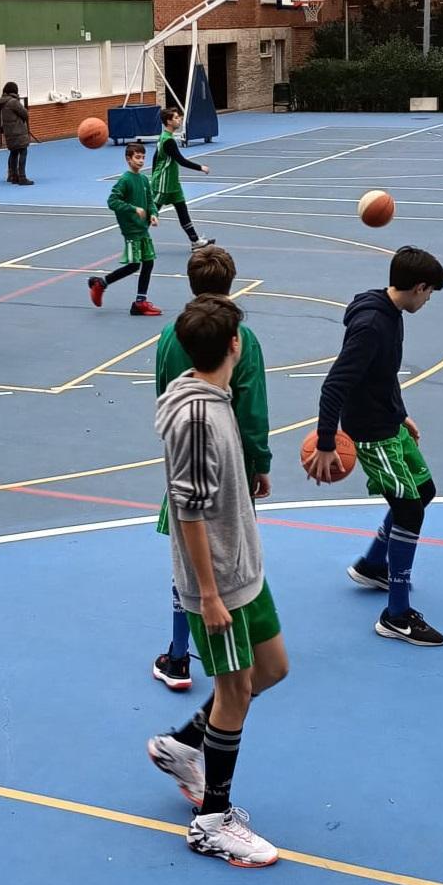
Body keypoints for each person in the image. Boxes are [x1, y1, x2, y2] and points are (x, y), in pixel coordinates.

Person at [147, 294, 289, 867]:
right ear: (236, 346)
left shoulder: (212, 398)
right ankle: (213, 819)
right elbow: (188, 510)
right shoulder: (198, 417)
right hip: (220, 584)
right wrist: (207, 595)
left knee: (272, 669)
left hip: (244, 569)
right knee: (235, 690)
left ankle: (184, 743)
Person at [305, 246, 443, 647]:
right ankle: (396, 615)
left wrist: (400, 412)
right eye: (430, 292)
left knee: (424, 492)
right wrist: (328, 442)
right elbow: (334, 385)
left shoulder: (388, 310)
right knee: (409, 511)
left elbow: (381, 375)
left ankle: (373, 565)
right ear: (418, 287)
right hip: (371, 433)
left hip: (389, 422)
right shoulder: (371, 325)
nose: (429, 299)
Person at [151, 246, 272, 692]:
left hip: (184, 459)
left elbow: (164, 390)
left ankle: (179, 654)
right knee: (231, 556)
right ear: (232, 283)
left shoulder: (170, 334)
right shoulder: (243, 339)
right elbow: (253, 407)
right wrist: (259, 462)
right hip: (229, 464)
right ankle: (238, 648)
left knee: (187, 557)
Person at [88, 142, 161, 316]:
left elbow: (150, 200)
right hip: (131, 230)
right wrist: (133, 208)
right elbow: (112, 201)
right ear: (128, 159)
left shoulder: (143, 179)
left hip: (143, 228)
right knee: (135, 264)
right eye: (137, 157)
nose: (141, 160)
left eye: (143, 157)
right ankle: (101, 283)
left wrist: (153, 213)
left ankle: (140, 301)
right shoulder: (125, 180)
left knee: (148, 262)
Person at [150, 106, 214, 249]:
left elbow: (155, 158)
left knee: (182, 210)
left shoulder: (164, 137)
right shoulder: (168, 141)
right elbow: (180, 160)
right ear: (168, 121)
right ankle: (136, 238)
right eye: (176, 118)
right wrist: (200, 167)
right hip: (164, 183)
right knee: (152, 211)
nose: (179, 120)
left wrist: (153, 174)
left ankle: (195, 241)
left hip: (173, 184)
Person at [0, 82, 34, 185]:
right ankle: (22, 177)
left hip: (9, 132)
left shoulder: (3, 102)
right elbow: (24, 113)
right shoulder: (13, 102)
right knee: (23, 152)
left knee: (13, 153)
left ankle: (13, 176)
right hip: (18, 131)